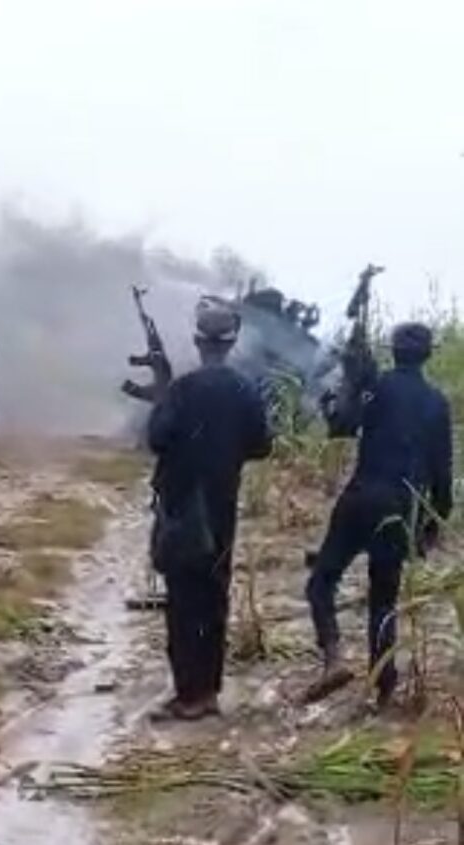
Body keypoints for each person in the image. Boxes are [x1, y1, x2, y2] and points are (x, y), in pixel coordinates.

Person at [305, 322, 452, 707]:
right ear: (428, 354)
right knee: (382, 600)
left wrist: (345, 388)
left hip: (360, 498)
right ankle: (382, 692)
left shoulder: (376, 387)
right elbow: (442, 473)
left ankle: (334, 657)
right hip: (401, 508)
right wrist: (433, 524)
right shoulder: (437, 402)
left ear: (394, 350)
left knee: (321, 579)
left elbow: (342, 426)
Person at [147, 300, 272, 721]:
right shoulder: (245, 389)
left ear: (199, 342)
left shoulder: (183, 389)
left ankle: (188, 695)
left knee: (183, 602)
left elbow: (157, 439)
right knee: (214, 596)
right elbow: (262, 445)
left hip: (184, 506)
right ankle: (209, 692)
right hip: (222, 506)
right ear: (232, 342)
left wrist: (162, 399)